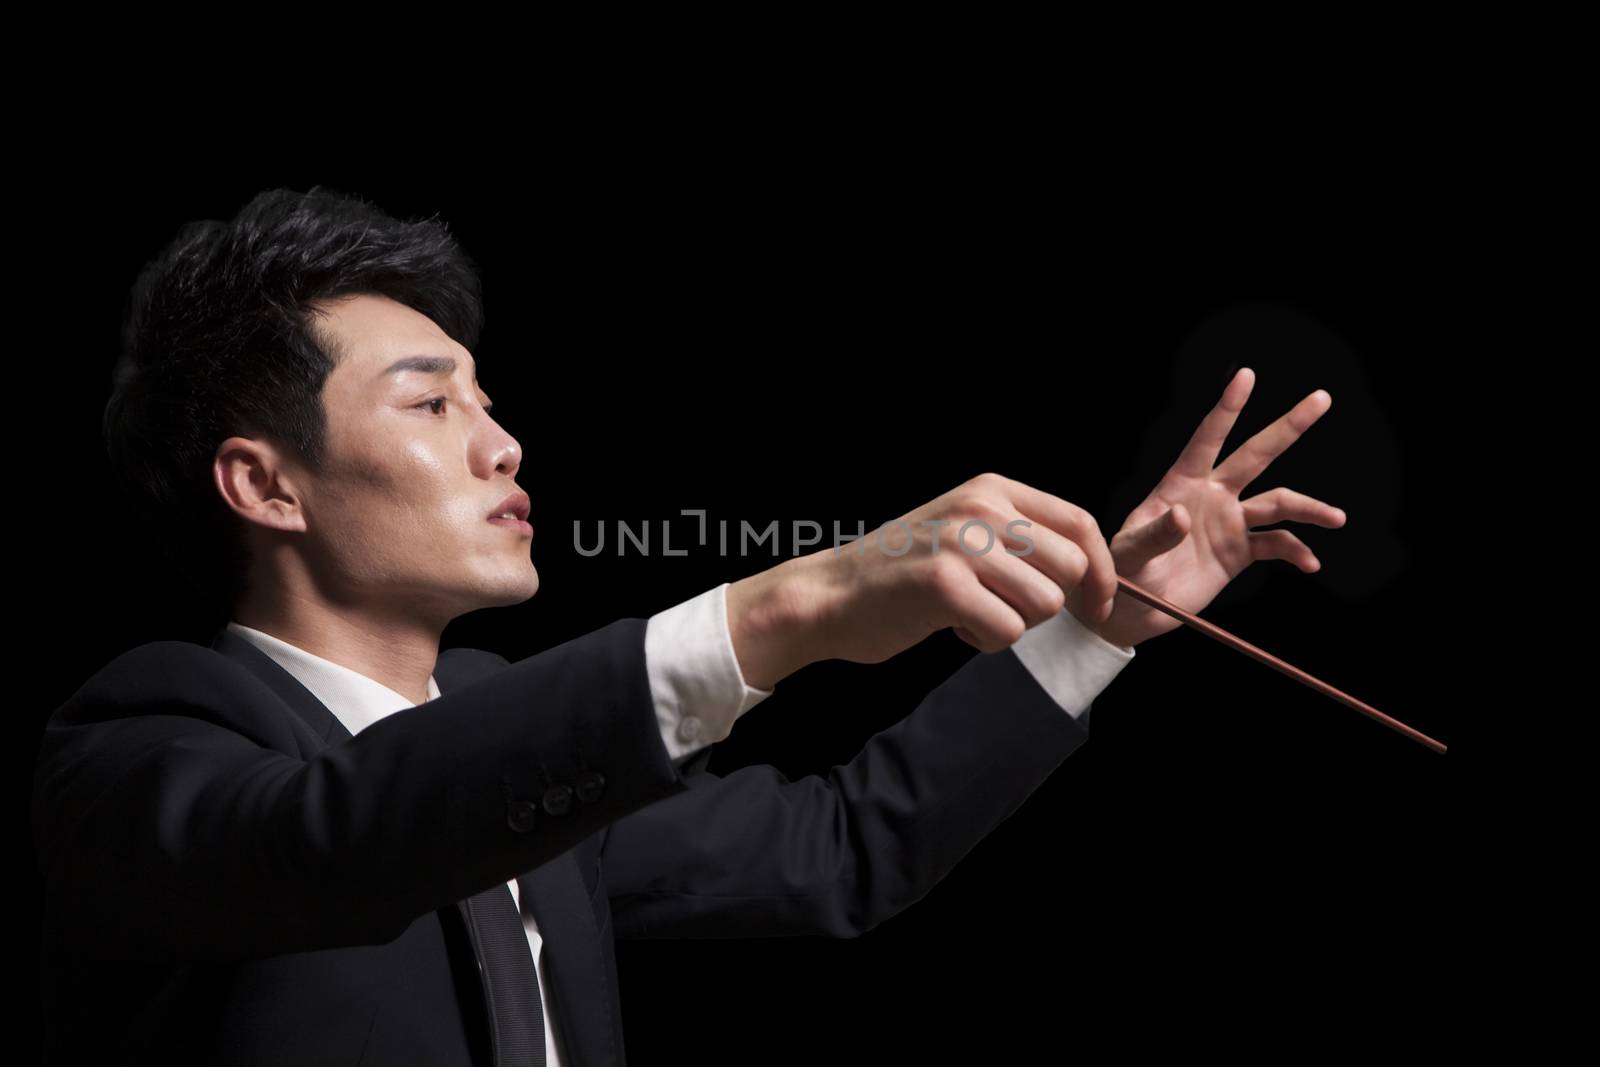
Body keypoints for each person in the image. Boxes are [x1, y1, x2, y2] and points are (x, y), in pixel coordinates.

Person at [32, 185, 1345, 1065]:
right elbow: (335, 841)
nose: (503, 443)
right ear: (266, 483)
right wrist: (792, 603)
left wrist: (1095, 629)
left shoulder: (527, 757)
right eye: (433, 405)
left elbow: (845, 848)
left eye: (490, 399)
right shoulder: (137, 749)